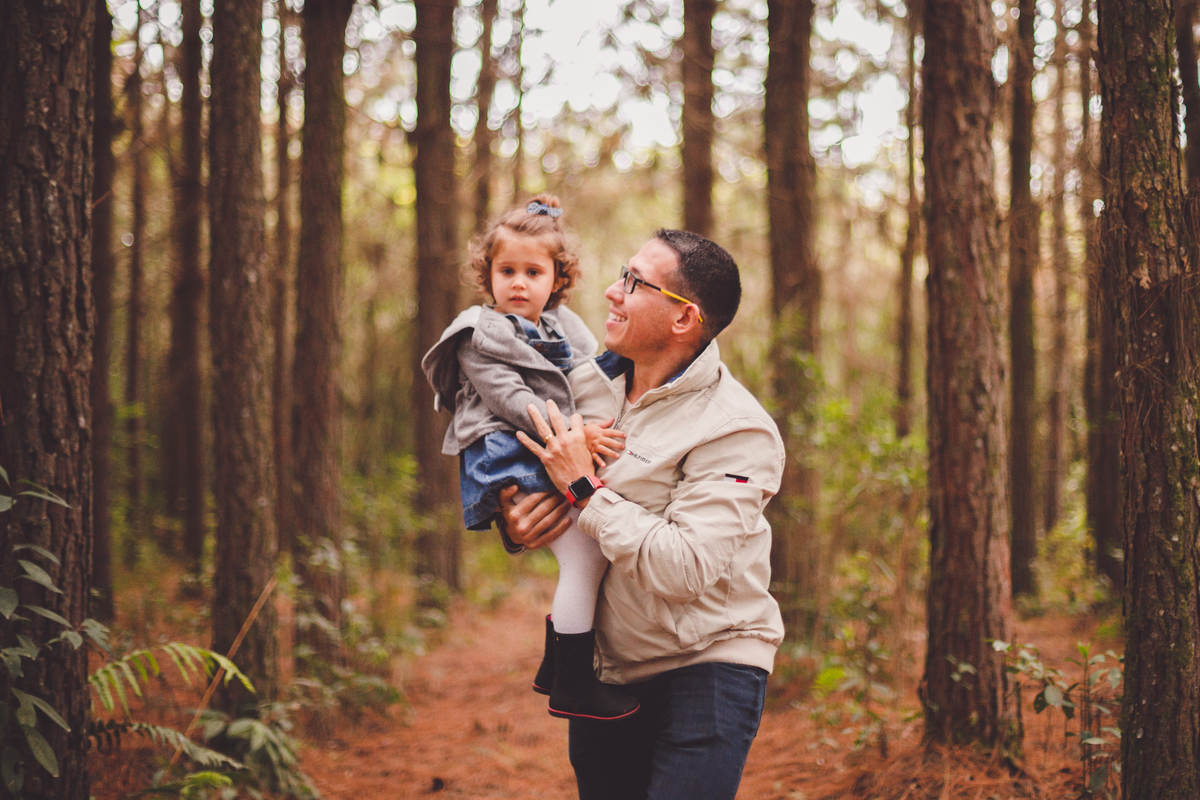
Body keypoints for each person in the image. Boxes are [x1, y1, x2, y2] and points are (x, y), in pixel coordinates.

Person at [499, 229, 785, 800]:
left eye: (633, 283)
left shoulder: (736, 428)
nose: (611, 291)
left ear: (684, 320)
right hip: (606, 669)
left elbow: (682, 570)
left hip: (709, 662)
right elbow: (541, 484)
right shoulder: (584, 384)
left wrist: (583, 486)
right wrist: (516, 523)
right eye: (621, 275)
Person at [420, 195, 639, 721]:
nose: (519, 283)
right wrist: (578, 433)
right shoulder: (480, 333)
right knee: (586, 555)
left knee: (590, 553)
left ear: (557, 280)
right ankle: (573, 686)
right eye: (507, 270)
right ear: (488, 275)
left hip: (543, 444)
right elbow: (513, 402)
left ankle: (557, 665)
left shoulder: (561, 322)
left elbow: (597, 364)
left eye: (533, 271)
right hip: (506, 452)